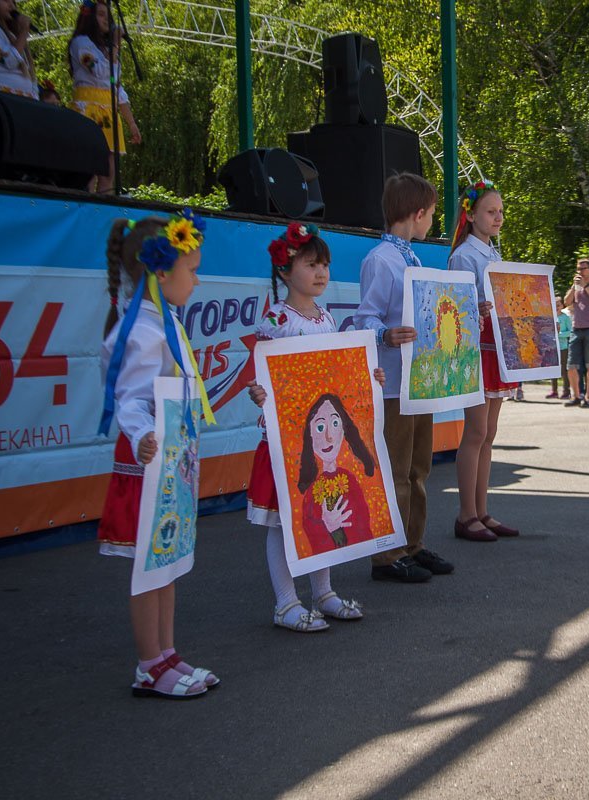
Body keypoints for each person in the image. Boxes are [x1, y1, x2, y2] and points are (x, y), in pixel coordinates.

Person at [98, 209, 219, 699]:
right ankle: (150, 662)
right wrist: (146, 433)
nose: (197, 279)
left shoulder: (164, 321)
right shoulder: (141, 331)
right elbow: (130, 399)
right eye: (191, 269)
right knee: (150, 566)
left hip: (171, 461)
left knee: (167, 560)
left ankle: (168, 654)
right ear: (160, 272)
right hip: (148, 463)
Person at [246, 224, 371, 631]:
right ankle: (285, 602)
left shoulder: (327, 318)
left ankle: (323, 593)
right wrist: (261, 394)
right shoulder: (276, 320)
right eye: (311, 264)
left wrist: (367, 379)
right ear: (285, 270)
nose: (321, 272)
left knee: (322, 512)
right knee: (284, 522)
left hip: (320, 443)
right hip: (287, 441)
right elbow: (263, 378)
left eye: (325, 265)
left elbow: (334, 382)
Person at [354, 173, 455, 581]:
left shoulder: (411, 259)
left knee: (418, 468)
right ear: (416, 215)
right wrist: (385, 334)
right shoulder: (380, 260)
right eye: (430, 214)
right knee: (395, 469)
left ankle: (413, 544)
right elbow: (365, 318)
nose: (431, 221)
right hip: (394, 383)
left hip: (420, 381)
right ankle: (387, 554)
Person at [447, 179, 520, 542]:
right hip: (475, 351)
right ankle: (466, 515)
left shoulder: (492, 253)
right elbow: (455, 311)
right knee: (475, 433)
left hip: (495, 349)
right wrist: (475, 308)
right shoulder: (464, 255)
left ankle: (482, 511)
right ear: (472, 214)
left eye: (501, 212)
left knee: (488, 434)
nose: (498, 217)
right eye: (491, 212)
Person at [68, 0, 142, 194]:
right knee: (89, 171)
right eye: (101, 14)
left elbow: (117, 87)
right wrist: (116, 45)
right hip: (89, 108)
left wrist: (131, 122)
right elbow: (99, 72)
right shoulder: (81, 42)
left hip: (108, 111)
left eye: (107, 15)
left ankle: (104, 215)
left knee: (108, 173)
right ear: (89, 17)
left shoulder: (106, 50)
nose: (106, 19)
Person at [563, 258, 589, 408]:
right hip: (576, 329)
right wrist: (574, 287)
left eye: (583, 268)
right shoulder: (577, 284)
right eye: (578, 269)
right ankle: (575, 396)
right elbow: (566, 302)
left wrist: (585, 286)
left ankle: (588, 397)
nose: (580, 272)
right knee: (571, 366)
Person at [548, 297, 572, 399]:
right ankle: (554, 391)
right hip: (552, 347)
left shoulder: (565, 317)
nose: (556, 307)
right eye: (555, 304)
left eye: (558, 305)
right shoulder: (550, 317)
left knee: (563, 370)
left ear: (562, 306)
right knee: (553, 369)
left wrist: (559, 334)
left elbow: (570, 331)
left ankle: (566, 391)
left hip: (563, 347)